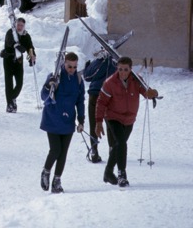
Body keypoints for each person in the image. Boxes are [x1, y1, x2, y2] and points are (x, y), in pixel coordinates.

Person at [96, 56, 159, 189]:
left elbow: (145, 92)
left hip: (129, 119)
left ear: (131, 69)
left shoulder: (136, 80)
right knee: (121, 143)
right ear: (117, 68)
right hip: (113, 117)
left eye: (125, 69)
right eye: (120, 69)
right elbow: (101, 103)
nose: (123, 72)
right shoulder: (110, 83)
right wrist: (98, 122)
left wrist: (153, 93)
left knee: (119, 146)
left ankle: (108, 172)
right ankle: (121, 175)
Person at [40, 51, 85, 194]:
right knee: (55, 149)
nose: (71, 69)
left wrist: (81, 120)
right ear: (63, 64)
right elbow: (44, 96)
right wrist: (49, 86)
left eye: (74, 67)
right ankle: (46, 171)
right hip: (52, 118)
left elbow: (80, 101)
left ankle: (57, 181)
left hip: (68, 121)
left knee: (63, 152)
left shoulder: (78, 80)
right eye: (69, 66)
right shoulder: (55, 77)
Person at [83, 53, 117, 162]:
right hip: (108, 96)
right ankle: (112, 150)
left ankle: (94, 151)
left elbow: (87, 76)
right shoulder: (115, 63)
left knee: (94, 123)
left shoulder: (97, 62)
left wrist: (88, 65)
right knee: (110, 124)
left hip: (94, 95)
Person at [1, 17, 36, 112]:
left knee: (19, 83)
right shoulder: (10, 32)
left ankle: (12, 99)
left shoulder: (26, 36)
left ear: (24, 26)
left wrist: (32, 56)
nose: (19, 27)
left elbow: (30, 47)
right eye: (18, 25)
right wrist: (16, 45)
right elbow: (9, 42)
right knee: (9, 83)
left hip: (19, 61)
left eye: (21, 25)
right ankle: (9, 105)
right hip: (8, 60)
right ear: (15, 25)